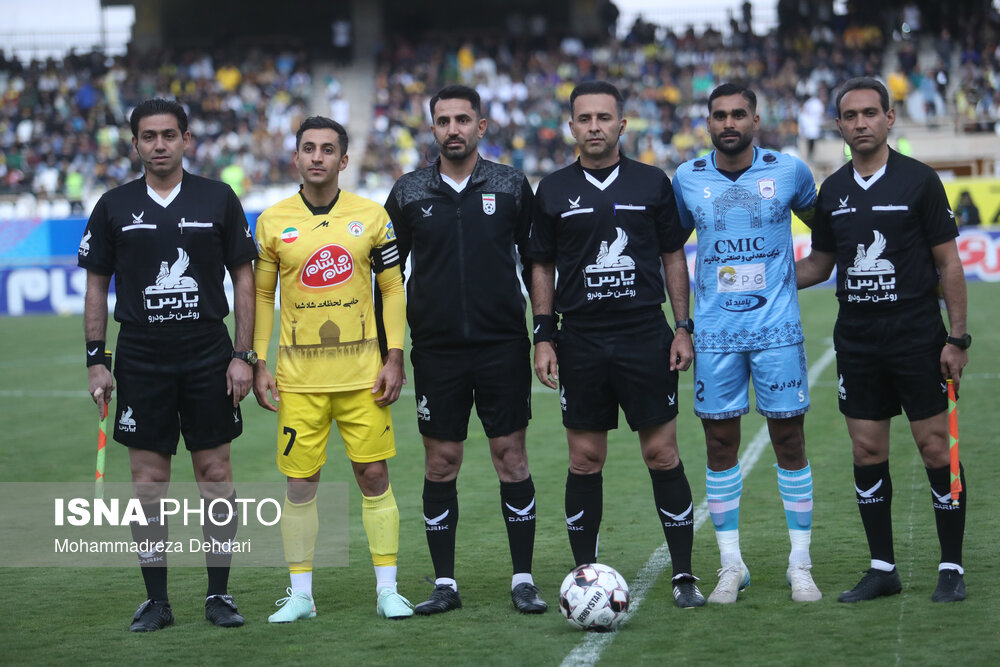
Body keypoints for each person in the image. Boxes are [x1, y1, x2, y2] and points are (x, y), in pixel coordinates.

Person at [80, 98, 256, 632]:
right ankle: (156, 600)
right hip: (142, 355)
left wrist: (243, 355)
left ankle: (218, 594)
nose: (159, 145)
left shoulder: (218, 198)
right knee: (148, 482)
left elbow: (244, 278)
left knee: (215, 474)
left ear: (186, 140)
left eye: (169, 135)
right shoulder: (113, 205)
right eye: (149, 136)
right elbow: (96, 286)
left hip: (208, 352)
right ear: (135, 143)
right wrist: (96, 360)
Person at [528, 81, 705, 609]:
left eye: (604, 117)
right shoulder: (553, 190)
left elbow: (673, 256)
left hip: (643, 334)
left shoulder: (652, 183)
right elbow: (542, 266)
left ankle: (684, 574)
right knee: (585, 459)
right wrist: (543, 334)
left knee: (662, 453)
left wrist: (682, 326)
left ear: (622, 124)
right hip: (580, 338)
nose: (595, 127)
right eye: (585, 118)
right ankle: (585, 574)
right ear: (571, 126)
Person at [797, 77, 970, 603]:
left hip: (917, 336)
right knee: (867, 449)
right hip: (857, 340)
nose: (861, 123)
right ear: (838, 125)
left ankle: (951, 566)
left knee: (935, 447)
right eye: (850, 116)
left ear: (889, 118)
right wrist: (759, 275)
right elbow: (820, 264)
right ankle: (882, 568)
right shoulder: (833, 190)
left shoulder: (920, 180)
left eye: (870, 113)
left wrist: (957, 338)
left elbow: (949, 264)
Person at [383, 85, 546, 615]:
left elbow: (536, 262)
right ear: (432, 128)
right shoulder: (408, 192)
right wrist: (391, 350)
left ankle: (523, 579)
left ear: (480, 126)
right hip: (436, 350)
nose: (452, 129)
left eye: (462, 119)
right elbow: (386, 277)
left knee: (511, 458)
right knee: (441, 463)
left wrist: (544, 332)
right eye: (443, 121)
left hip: (503, 345)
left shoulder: (511, 184)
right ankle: (444, 585)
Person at [252, 116, 413, 622]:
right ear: (296, 157)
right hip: (298, 382)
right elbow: (262, 295)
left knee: (374, 475)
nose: (317, 156)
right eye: (308, 148)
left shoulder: (372, 216)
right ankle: (301, 595)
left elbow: (392, 288)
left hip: (364, 378)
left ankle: (388, 590)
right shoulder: (272, 221)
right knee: (300, 484)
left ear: (343, 160)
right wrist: (259, 360)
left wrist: (394, 356)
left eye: (327, 149)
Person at [672, 83, 822, 604]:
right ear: (708, 123)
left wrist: (787, 280)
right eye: (720, 115)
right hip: (715, 336)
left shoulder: (790, 171)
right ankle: (731, 565)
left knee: (790, 441)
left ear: (756, 120)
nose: (729, 122)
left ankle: (800, 564)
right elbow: (670, 251)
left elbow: (828, 238)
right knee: (719, 447)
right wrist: (683, 324)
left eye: (739, 114)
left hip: (777, 332)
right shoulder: (687, 178)